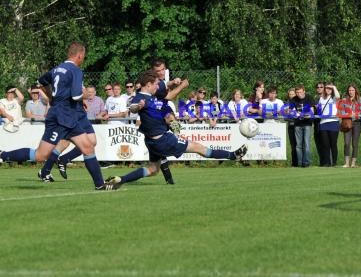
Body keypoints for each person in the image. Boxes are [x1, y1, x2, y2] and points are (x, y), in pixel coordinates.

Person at [0, 42, 116, 190]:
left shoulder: (57, 68)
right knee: (40, 155)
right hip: (62, 117)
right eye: (84, 56)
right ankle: (3, 155)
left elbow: (40, 82)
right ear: (79, 55)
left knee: (88, 146)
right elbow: (76, 96)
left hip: (67, 116)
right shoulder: (75, 70)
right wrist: (85, 95)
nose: (83, 59)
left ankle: (100, 185)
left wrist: (52, 98)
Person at [104, 70, 248, 188]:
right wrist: (139, 106)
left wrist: (176, 129)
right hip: (162, 140)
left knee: (153, 169)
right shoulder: (140, 98)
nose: (157, 87)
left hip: (153, 141)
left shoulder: (152, 98)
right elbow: (133, 108)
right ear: (148, 84)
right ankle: (233, 156)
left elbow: (168, 116)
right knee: (199, 148)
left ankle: (120, 180)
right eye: (155, 84)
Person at [151, 58, 189, 185]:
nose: (161, 72)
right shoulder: (153, 81)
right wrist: (182, 86)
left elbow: (166, 84)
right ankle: (178, 140)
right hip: (152, 114)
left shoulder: (162, 79)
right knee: (158, 151)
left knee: (172, 118)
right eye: (158, 70)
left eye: (163, 69)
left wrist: (174, 81)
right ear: (153, 71)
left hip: (161, 109)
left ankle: (178, 137)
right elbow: (168, 96)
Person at [289, 85, 315, 167]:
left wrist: (303, 114)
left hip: (307, 124)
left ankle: (306, 163)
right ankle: (299, 163)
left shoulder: (309, 98)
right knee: (298, 145)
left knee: (306, 144)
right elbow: (291, 111)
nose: (298, 94)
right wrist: (295, 113)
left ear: (304, 91)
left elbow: (312, 111)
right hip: (297, 124)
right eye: (297, 92)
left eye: (300, 92)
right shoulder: (294, 99)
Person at [317, 83, 340, 167]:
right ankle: (327, 162)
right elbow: (319, 111)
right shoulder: (321, 99)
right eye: (327, 88)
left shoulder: (334, 98)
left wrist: (334, 87)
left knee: (333, 144)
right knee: (325, 144)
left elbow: (338, 96)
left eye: (330, 88)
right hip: (323, 123)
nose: (328, 90)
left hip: (333, 122)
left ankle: (334, 162)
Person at [341, 83, 361, 168]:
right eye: (349, 90)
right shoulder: (344, 100)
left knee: (355, 143)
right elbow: (343, 112)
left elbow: (358, 113)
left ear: (355, 91)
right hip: (346, 122)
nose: (351, 92)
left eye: (352, 90)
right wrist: (351, 113)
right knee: (346, 143)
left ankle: (353, 163)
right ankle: (346, 163)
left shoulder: (359, 99)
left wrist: (350, 112)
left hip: (357, 123)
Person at [313, 82, 326, 166]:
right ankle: (322, 162)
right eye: (318, 87)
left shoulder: (328, 97)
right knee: (318, 144)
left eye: (321, 87)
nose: (319, 88)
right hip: (317, 123)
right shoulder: (314, 98)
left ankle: (329, 161)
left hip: (325, 123)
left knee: (326, 144)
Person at [286, 88, 298, 167]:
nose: (291, 96)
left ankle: (301, 161)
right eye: (290, 94)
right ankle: (294, 163)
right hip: (291, 125)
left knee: (300, 144)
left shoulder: (299, 102)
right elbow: (285, 113)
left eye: (293, 94)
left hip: (298, 125)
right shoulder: (287, 104)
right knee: (293, 145)